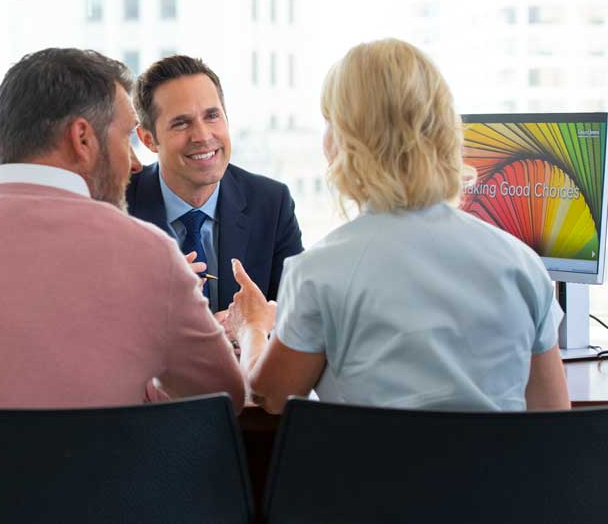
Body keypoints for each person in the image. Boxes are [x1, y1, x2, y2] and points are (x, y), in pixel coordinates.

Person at [0, 48, 245, 412]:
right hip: (94, 477)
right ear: (82, 139)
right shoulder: (148, 252)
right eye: (126, 137)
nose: (136, 163)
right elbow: (223, 396)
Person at [227, 39, 570, 414]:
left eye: (329, 122)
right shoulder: (522, 265)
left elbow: (272, 399)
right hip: (497, 457)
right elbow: (552, 417)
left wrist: (252, 327)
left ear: (347, 141)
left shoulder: (318, 273)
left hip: (372, 456)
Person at [126, 55, 304, 313]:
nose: (202, 136)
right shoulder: (116, 207)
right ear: (148, 139)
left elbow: (297, 318)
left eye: (212, 116)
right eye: (181, 123)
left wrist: (252, 328)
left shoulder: (271, 203)